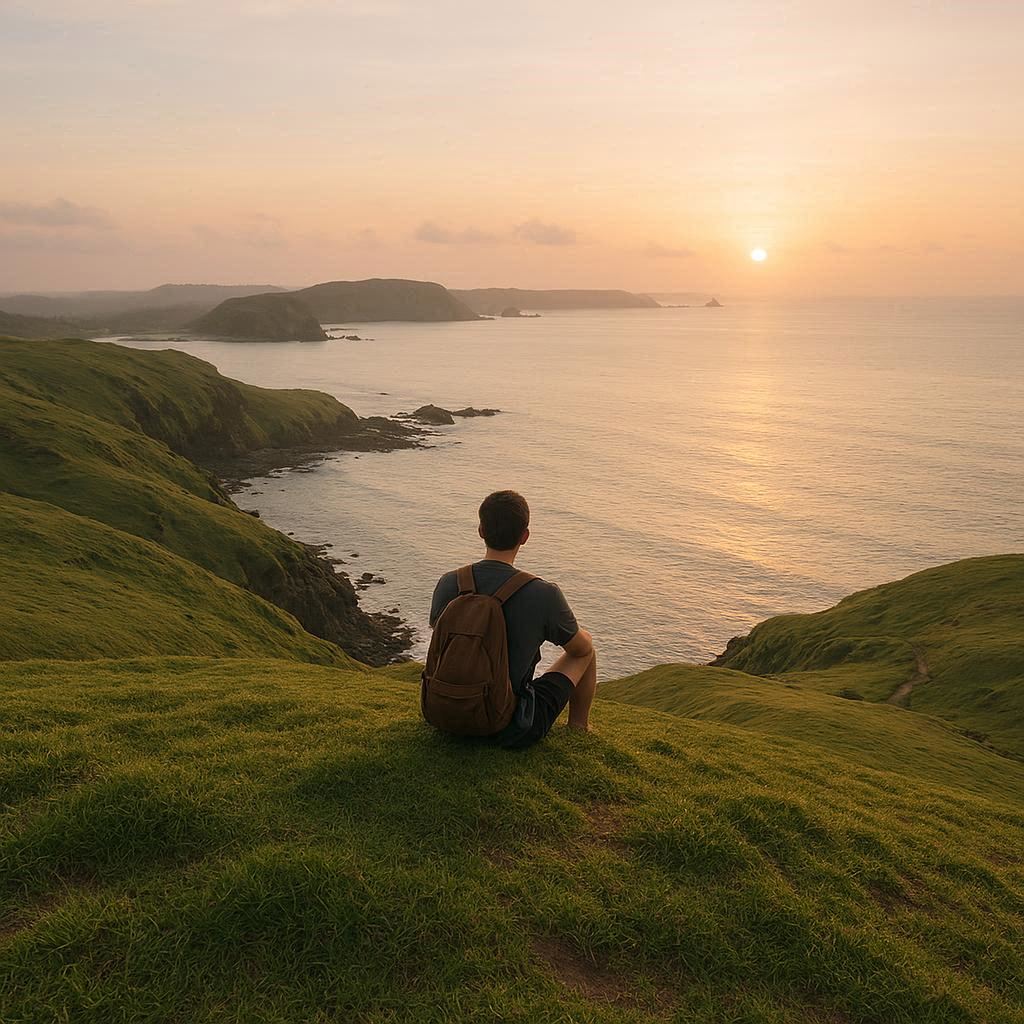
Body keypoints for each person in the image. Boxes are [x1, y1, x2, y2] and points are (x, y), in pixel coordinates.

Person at [428, 489, 597, 748]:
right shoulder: (543, 593)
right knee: (586, 647)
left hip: (444, 714)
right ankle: (579, 726)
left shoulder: (450, 582)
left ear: (481, 530)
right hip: (511, 726)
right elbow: (579, 649)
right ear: (525, 536)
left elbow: (438, 638)